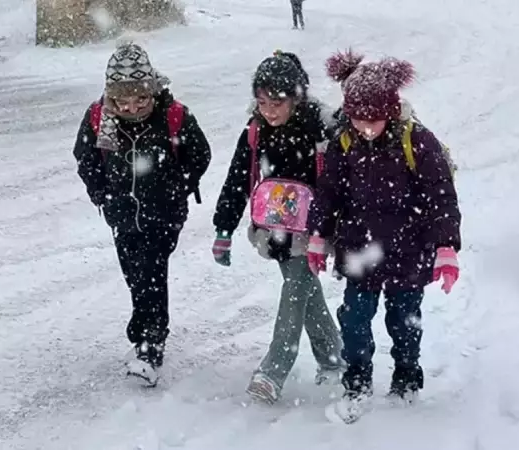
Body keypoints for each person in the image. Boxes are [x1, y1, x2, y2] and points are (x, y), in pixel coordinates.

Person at [307, 49, 462, 422]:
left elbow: (440, 195)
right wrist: (318, 235)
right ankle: (357, 381)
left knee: (404, 321)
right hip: (359, 251)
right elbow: (329, 192)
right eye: (358, 119)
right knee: (355, 321)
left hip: (409, 253)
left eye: (373, 120)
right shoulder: (345, 143)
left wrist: (445, 247)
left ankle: (406, 378)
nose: (365, 128)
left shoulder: (417, 142)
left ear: (389, 111)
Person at [72, 42, 211, 387]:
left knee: (151, 269)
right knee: (134, 272)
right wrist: (100, 193)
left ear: (151, 91)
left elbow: (201, 154)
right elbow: (85, 158)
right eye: (122, 101)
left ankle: (150, 344)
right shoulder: (100, 117)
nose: (131, 107)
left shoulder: (172, 114)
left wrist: (178, 185)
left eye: (140, 99)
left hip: (163, 212)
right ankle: (143, 331)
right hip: (120, 213)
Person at [211, 51, 343, 404]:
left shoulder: (321, 128)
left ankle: (273, 370)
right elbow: (237, 180)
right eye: (262, 102)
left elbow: (342, 178)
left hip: (312, 228)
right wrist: (223, 228)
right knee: (303, 288)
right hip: (274, 228)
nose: (269, 110)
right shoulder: (255, 132)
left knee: (296, 288)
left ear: (296, 98)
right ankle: (333, 358)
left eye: (277, 103)